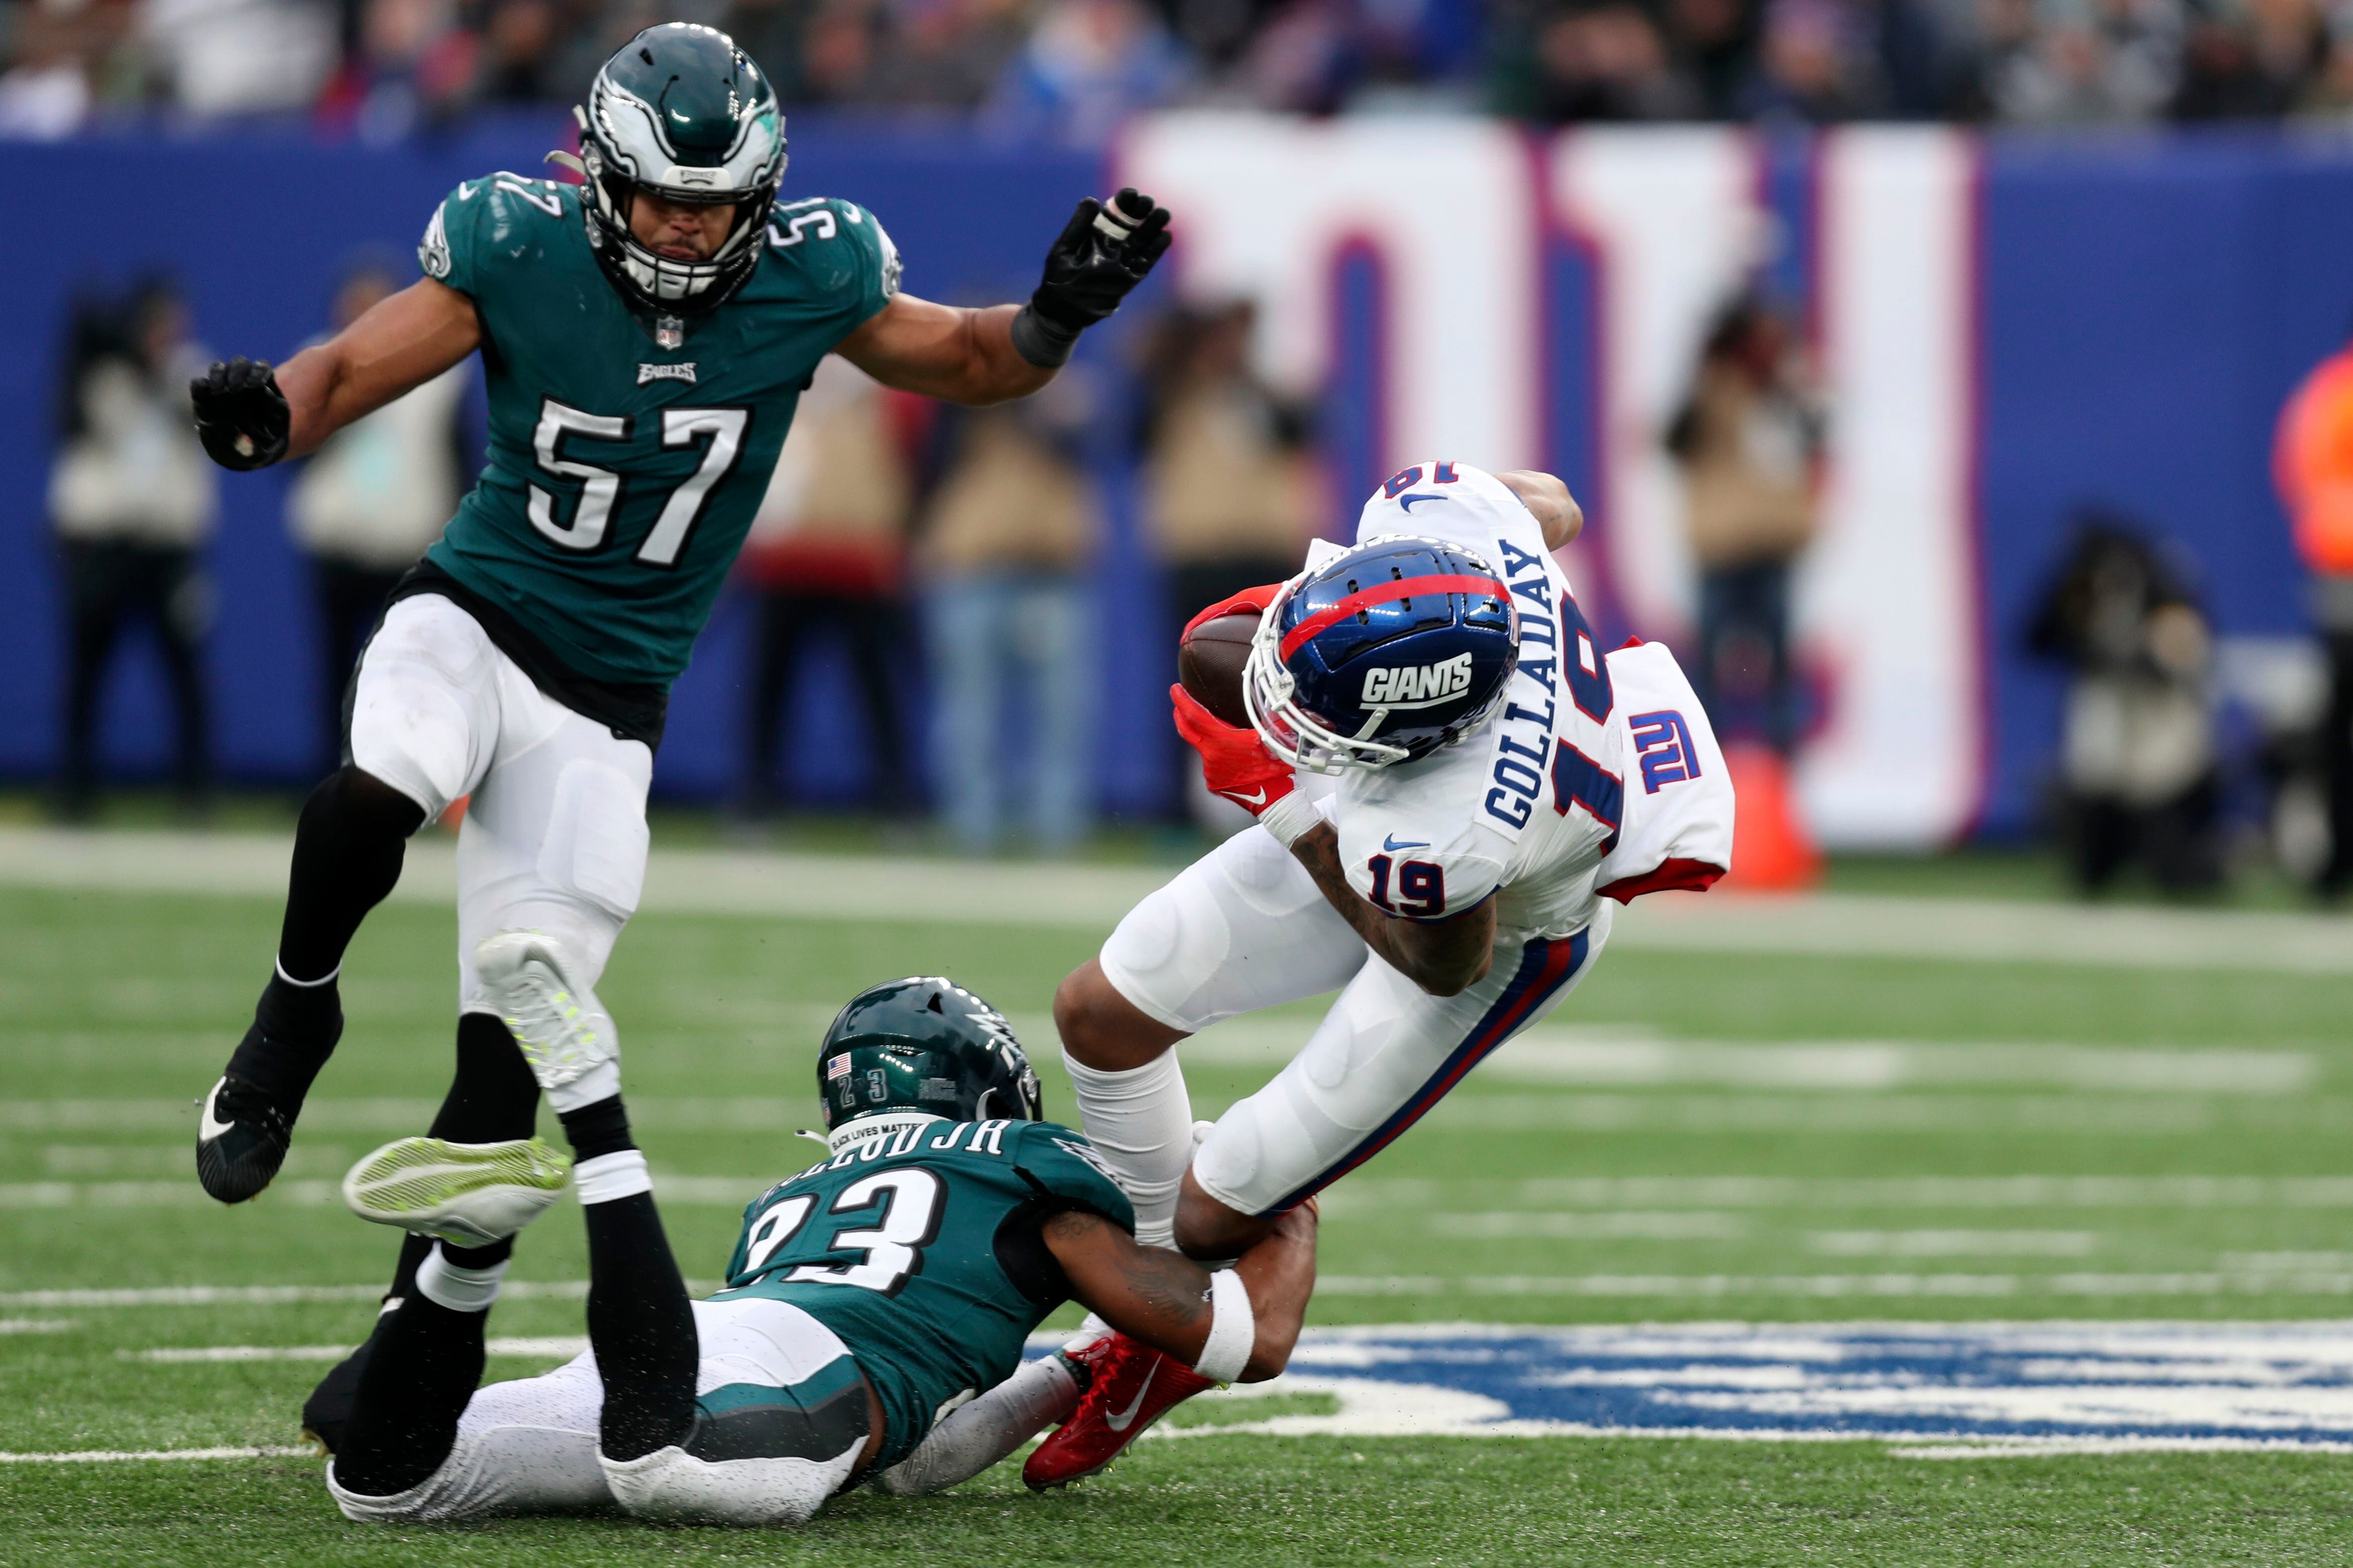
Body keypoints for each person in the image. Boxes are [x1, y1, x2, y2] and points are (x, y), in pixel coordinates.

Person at [186, 22, 1172, 1255]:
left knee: (510, 1045)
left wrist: (1052, 320)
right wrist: (268, 419)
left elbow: (973, 359)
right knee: (372, 794)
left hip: (615, 690)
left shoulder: (816, 270)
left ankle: (410, 1360)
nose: (686, 228)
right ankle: (293, 1017)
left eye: (715, 204)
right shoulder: (518, 242)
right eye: (659, 199)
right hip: (479, 608)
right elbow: (341, 374)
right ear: (600, 174)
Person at [1027, 460, 1735, 1484]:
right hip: (1401, 807)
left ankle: (1196, 1300)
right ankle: (1152, 1312)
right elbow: (1552, 504)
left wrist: (1286, 796)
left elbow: (1439, 960)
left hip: (1492, 938)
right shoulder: (1447, 516)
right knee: (1099, 1012)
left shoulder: (1451, 831)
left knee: (1213, 1209)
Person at [310, 967, 1317, 1524]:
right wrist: (1295, 1200)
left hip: (704, 1340)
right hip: (762, 1385)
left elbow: (908, 1460)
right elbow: (1250, 1337)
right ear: (989, 1088)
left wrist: (1073, 1373)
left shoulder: (791, 1197)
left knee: (385, 1479)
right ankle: (592, 1109)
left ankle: (463, 1265)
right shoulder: (1029, 1170)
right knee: (658, 1462)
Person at [286, 256, 470, 781]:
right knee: (334, 669)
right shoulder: (315, 364)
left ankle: (398, 779)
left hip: (406, 547)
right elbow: (288, 459)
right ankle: (330, 776)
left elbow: (460, 461)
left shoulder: (438, 372)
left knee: (406, 673)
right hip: (337, 542)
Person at [1136, 300, 1317, 828]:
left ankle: (1281, 802)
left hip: (1262, 554)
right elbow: (1132, 427)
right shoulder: (1173, 396)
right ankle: (1177, 809)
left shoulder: (1267, 395)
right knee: (1188, 679)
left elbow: (1302, 428)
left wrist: (1248, 380)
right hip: (1196, 554)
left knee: (1279, 685)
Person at [50, 276, 217, 820]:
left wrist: (164, 376)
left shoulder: (192, 372)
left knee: (186, 675)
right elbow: (68, 423)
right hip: (105, 543)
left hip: (169, 548)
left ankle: (195, 794)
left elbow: (212, 423)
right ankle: (77, 793)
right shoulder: (103, 375)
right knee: (88, 671)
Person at [916, 371, 1101, 853]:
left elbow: (1086, 442)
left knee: (1060, 713)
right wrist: (979, 385)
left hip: (1051, 574)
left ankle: (1055, 829)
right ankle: (970, 827)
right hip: (972, 571)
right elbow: (928, 457)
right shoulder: (958, 404)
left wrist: (1036, 395)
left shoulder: (1060, 402)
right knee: (968, 711)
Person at [735, 354, 918, 819]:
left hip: (861, 562)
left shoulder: (890, 395)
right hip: (787, 562)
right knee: (771, 689)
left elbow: (917, 464)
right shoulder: (784, 387)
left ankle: (895, 801)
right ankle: (759, 798)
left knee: (876, 692)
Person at [1664, 293, 1822, 758]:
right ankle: (1701, 758)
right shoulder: (1712, 392)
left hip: (1772, 543)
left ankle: (1778, 766)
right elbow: (1675, 441)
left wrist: (1781, 387)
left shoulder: (1790, 394)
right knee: (1709, 662)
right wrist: (1707, 371)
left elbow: (1815, 434)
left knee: (1779, 663)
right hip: (1721, 545)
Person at [2275, 331, 2353, 897]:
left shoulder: (2325, 390)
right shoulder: (2336, 393)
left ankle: (2331, 859)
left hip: (2334, 567)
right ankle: (2333, 855)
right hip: (2343, 566)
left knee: (2337, 722)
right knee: (2338, 724)